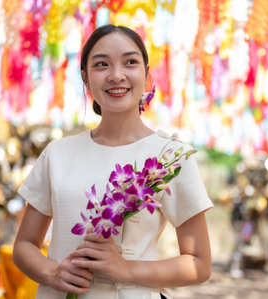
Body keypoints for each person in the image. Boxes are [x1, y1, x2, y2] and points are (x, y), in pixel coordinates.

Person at [13, 24, 213, 299]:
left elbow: (199, 264)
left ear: (146, 73)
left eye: (130, 62)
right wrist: (52, 273)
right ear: (85, 77)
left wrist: (126, 269)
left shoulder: (169, 157)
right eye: (101, 64)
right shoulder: (57, 154)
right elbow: (24, 244)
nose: (116, 75)